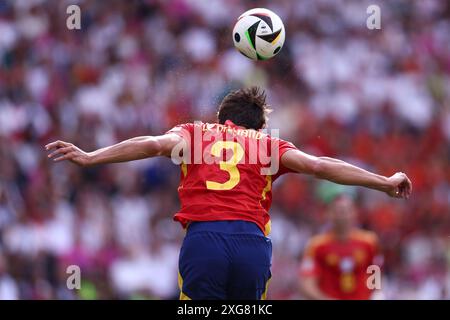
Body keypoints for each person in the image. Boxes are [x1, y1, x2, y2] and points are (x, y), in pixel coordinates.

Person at [45, 87, 412, 300]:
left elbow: (154, 143)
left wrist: (92, 157)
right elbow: (319, 166)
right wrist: (383, 181)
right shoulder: (269, 144)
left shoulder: (194, 132)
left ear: (222, 117)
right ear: (259, 125)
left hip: (205, 240)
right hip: (252, 243)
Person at [299, 195, 382, 300]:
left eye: (346, 211)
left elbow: (376, 274)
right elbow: (307, 283)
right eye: (338, 211)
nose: (342, 215)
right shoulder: (316, 245)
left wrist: (376, 295)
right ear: (328, 214)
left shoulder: (369, 242)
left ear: (354, 213)